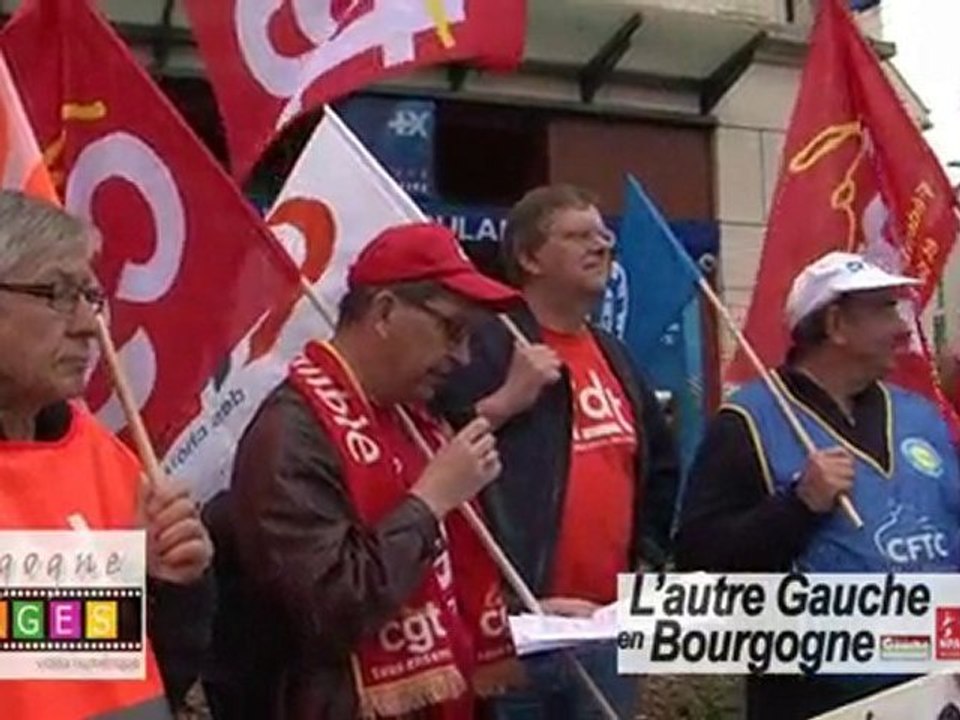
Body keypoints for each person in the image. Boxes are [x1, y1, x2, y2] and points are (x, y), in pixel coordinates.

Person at [220, 222, 522, 719]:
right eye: (453, 330)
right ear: (383, 312)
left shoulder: (415, 418)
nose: (463, 356)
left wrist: (531, 616)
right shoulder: (291, 433)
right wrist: (427, 504)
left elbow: (446, 582)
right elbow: (331, 606)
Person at [676, 251, 960, 719]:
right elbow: (698, 564)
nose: (904, 326)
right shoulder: (748, 421)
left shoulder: (920, 415)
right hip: (818, 698)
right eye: (885, 308)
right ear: (835, 324)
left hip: (935, 689)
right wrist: (798, 507)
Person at [434, 184, 680, 719]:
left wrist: (648, 563)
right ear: (529, 257)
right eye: (578, 236)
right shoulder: (484, 343)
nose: (601, 247)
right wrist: (504, 401)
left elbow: (659, 470)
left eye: (604, 235)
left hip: (607, 629)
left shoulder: (615, 355)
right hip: (519, 628)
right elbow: (429, 461)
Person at [0, 190, 214, 718]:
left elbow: (147, 669)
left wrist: (171, 584)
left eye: (90, 297)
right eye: (57, 293)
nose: (87, 324)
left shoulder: (106, 455)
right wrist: (119, 574)